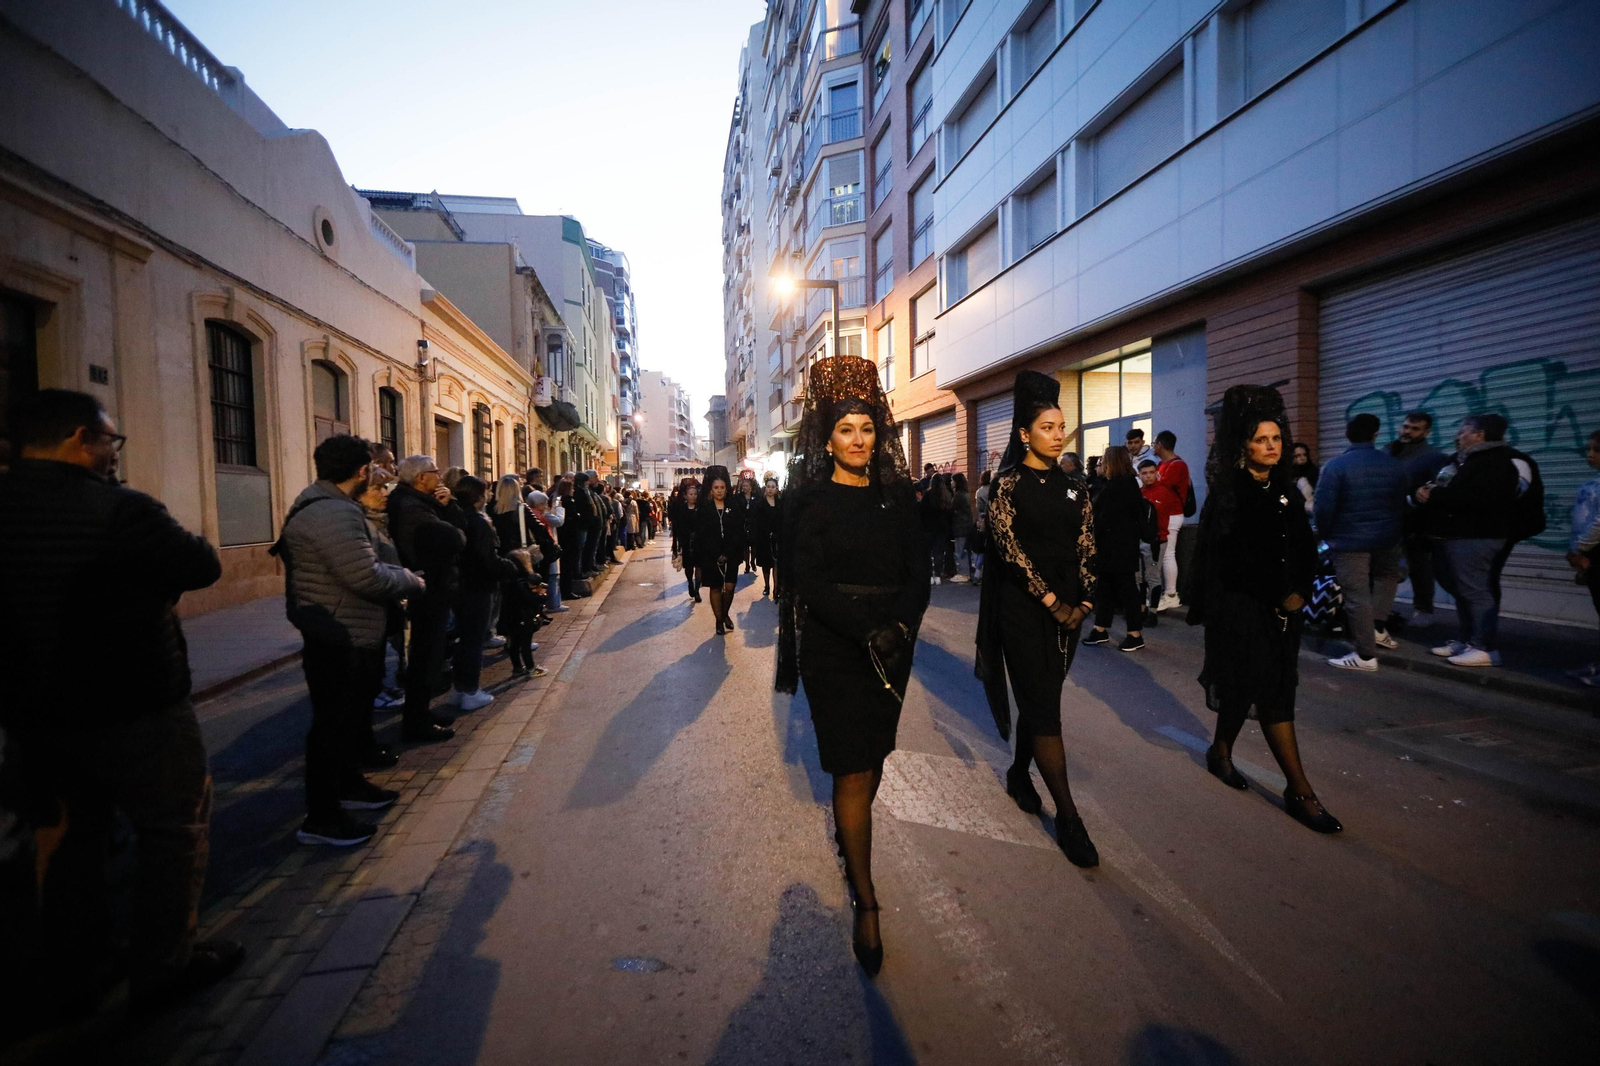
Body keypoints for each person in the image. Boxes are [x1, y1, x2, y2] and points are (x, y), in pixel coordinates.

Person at [0, 389, 242, 1009]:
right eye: (110, 441)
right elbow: (200, 565)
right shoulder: (118, 509)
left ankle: (78, 967)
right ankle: (164, 964)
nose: (113, 453)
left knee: (71, 836)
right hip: (136, 703)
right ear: (81, 439)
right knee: (171, 830)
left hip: (37, 714)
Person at [776, 355, 930, 977]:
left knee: (875, 758)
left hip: (894, 644)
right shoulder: (807, 499)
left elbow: (918, 572)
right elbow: (806, 580)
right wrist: (865, 628)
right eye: (846, 429)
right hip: (836, 647)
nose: (858, 439)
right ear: (828, 436)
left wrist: (897, 628)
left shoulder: (899, 497)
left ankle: (853, 838)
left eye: (867, 428)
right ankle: (867, 902)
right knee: (851, 766)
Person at [1188, 385, 1341, 834]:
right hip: (1241, 610)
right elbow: (1227, 561)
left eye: (1276, 439)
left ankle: (1219, 752)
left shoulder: (1286, 488)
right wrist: (1278, 593)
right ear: (1243, 444)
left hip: (1284, 611)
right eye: (1261, 440)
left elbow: (1305, 548)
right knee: (1272, 694)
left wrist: (1298, 589)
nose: (1271, 447)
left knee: (1248, 687)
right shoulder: (1229, 493)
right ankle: (1301, 792)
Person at [975, 371, 1101, 867]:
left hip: (1071, 614)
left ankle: (1017, 773)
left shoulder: (1077, 487)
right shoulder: (1006, 486)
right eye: (1047, 427)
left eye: (1061, 427)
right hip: (1025, 610)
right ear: (1025, 434)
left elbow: (1088, 544)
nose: (1057, 434)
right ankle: (1069, 818)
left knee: (1041, 697)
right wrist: (1052, 601)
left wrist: (1086, 602)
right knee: (1045, 707)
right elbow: (1010, 550)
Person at [278, 435, 423, 846]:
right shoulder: (333, 513)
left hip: (346, 629)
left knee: (346, 722)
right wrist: (413, 581)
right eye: (373, 470)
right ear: (361, 472)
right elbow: (366, 574)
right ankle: (322, 817)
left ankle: (349, 785)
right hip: (339, 634)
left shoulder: (330, 505)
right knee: (332, 725)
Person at [1314, 414, 1407, 671]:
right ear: (1375, 435)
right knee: (1386, 578)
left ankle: (1366, 655)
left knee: (1356, 594)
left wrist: (1327, 535)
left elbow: (1323, 508)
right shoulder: (1393, 465)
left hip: (1349, 540)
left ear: (1347, 434)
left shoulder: (1336, 466)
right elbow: (1400, 503)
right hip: (1387, 537)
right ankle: (1377, 627)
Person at [388, 455, 467, 743]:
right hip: (426, 590)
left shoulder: (418, 502)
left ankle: (421, 713)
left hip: (431, 587)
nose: (441, 477)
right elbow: (456, 539)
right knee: (424, 658)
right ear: (421, 479)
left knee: (428, 658)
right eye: (435, 472)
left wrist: (447, 506)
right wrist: (452, 510)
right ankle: (416, 722)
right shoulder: (412, 508)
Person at [451, 476, 520, 711]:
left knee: (466, 640)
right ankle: (470, 690)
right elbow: (485, 559)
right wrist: (509, 566)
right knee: (474, 641)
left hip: (463, 586)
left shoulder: (459, 515)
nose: (489, 496)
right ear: (479, 496)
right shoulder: (478, 522)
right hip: (478, 587)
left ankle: (459, 688)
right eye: (487, 492)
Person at [1082, 445, 1146, 652]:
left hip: (1116, 546)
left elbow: (1107, 518)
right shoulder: (1125, 484)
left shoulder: (1119, 486)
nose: (1102, 465)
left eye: (1104, 461)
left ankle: (1134, 634)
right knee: (1107, 589)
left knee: (1124, 590)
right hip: (1119, 546)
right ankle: (1101, 628)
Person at [1388, 411, 1448, 627]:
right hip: (1388, 521)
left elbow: (1438, 487)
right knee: (1385, 569)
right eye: (1405, 427)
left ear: (1427, 432)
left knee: (1419, 567)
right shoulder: (1390, 451)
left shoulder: (1433, 456)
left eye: (1415, 429)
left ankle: (1423, 609)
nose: (1407, 432)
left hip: (1415, 522)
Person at [494, 476, 549, 678]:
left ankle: (510, 638)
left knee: (507, 601)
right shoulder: (522, 509)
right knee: (526, 599)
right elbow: (539, 530)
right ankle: (525, 641)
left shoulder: (493, 511)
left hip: (502, 561)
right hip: (521, 559)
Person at [1566, 429, 1600, 686]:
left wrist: (1581, 548)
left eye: (1596, 450)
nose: (1590, 454)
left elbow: (1598, 523)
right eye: (1589, 449)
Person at [697, 466, 745, 635]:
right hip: (712, 555)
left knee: (730, 587)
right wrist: (716, 553)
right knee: (716, 587)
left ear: (727, 489)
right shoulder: (705, 508)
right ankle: (719, 620)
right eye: (716, 488)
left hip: (732, 554)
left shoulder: (734, 506)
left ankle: (724, 614)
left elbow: (738, 531)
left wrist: (729, 553)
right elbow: (703, 534)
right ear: (711, 489)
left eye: (722, 488)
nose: (719, 491)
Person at [1151, 431, 1191, 612]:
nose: (1153, 446)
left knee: (1168, 554)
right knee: (1164, 554)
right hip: (1164, 514)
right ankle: (1167, 593)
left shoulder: (1177, 465)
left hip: (1172, 514)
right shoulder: (1163, 464)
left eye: (1155, 443)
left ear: (1161, 444)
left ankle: (1171, 594)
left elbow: (1161, 487)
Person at [1138, 459, 1180, 624]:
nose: (1148, 476)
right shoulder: (1140, 492)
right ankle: (1142, 609)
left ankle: (1152, 612)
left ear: (1156, 473)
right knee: (1139, 578)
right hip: (1140, 540)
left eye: (1150, 472)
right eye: (1144, 473)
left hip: (1156, 540)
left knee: (1153, 577)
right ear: (1140, 475)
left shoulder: (1164, 492)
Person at [671, 478, 702, 603]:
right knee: (689, 567)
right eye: (691, 494)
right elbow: (678, 527)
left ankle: (697, 589)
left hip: (699, 542)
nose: (693, 496)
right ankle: (690, 583)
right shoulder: (681, 509)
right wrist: (678, 544)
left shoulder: (701, 509)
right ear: (685, 495)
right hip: (686, 542)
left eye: (695, 494)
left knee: (700, 567)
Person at [750, 476, 781, 596]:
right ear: (765, 488)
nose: (770, 489)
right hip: (764, 539)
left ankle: (776, 588)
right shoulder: (760, 504)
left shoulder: (780, 503)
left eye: (773, 487)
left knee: (776, 564)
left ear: (776, 489)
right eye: (768, 487)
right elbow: (757, 521)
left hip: (777, 538)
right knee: (766, 565)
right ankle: (767, 585)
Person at [949, 472, 975, 581]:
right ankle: (967, 572)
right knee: (966, 550)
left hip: (960, 526)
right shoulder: (966, 493)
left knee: (961, 550)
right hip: (967, 525)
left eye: (952, 480)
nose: (951, 483)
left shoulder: (958, 495)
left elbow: (951, 509)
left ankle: (963, 573)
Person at [971, 469, 993, 585]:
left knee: (981, 550)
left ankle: (977, 575)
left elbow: (979, 509)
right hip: (993, 522)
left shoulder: (979, 492)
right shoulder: (994, 489)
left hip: (983, 522)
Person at [1290, 443, 1319, 516]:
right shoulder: (1288, 474)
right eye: (1298, 455)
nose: (1302, 458)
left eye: (1305, 455)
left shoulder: (1314, 472)